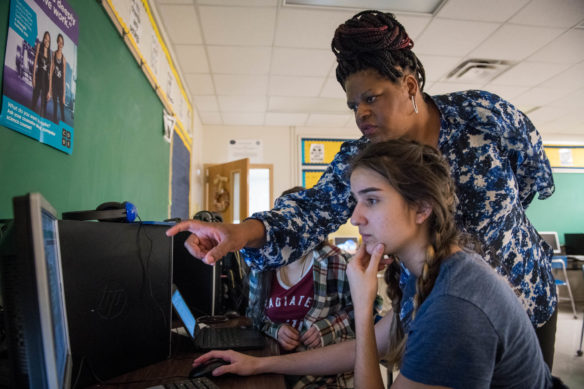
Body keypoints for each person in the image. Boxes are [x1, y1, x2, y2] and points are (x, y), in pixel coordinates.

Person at [166, 9, 557, 368]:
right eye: (354, 105)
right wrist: (237, 233)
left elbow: (530, 181)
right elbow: (308, 212)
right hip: (435, 314)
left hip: (525, 303)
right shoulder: (365, 160)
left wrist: (492, 234)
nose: (362, 114)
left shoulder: (483, 117)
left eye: (372, 98)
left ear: (408, 86)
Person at [191, 139, 554, 388]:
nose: (355, 217)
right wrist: (259, 364)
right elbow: (361, 350)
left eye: (372, 201)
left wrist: (363, 308)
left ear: (422, 208)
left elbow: (366, 341)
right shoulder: (428, 271)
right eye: (355, 201)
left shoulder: (454, 305)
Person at [247, 186, 359, 388]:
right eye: (282, 222)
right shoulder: (263, 264)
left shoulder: (335, 260)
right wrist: (275, 330)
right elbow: (253, 316)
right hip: (273, 367)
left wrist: (329, 328)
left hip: (323, 376)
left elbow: (367, 308)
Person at [31, 31, 51, 118]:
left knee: (44, 105)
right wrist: (33, 78)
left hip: (46, 81)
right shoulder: (39, 46)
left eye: (48, 40)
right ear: (43, 39)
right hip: (38, 76)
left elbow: (49, 73)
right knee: (34, 100)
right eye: (45, 39)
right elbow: (35, 61)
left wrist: (49, 91)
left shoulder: (50, 53)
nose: (47, 41)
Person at [49, 33, 67, 124]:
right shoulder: (53, 54)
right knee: (55, 104)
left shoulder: (64, 59)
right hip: (54, 84)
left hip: (60, 86)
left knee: (61, 105)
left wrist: (63, 95)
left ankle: (63, 122)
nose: (60, 44)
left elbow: (64, 78)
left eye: (62, 42)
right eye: (59, 42)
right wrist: (50, 87)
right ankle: (55, 122)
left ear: (63, 45)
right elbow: (52, 70)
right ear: (57, 42)